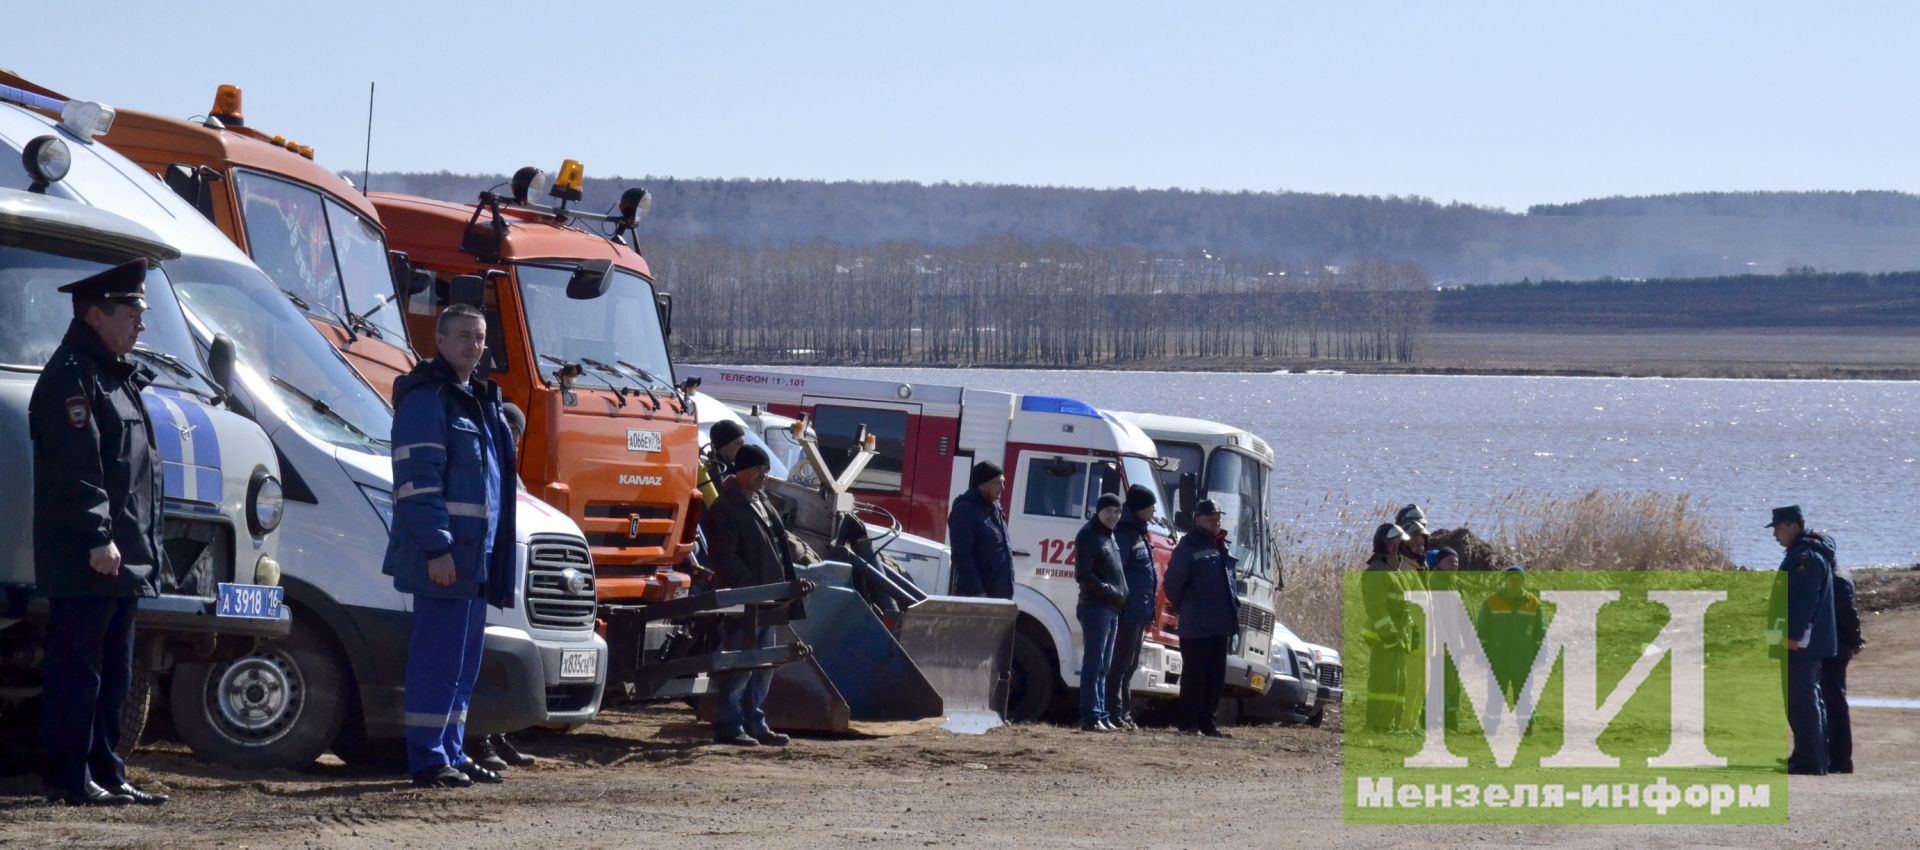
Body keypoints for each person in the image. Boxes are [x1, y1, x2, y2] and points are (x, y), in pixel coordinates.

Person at [29, 260, 170, 806]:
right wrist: (97, 536)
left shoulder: (114, 374)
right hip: (89, 555)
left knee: (115, 672)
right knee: (78, 672)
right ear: (95, 314)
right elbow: (76, 469)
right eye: (132, 313)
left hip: (121, 554)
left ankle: (107, 771)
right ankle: (70, 777)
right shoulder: (72, 376)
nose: (142, 325)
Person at [384, 304, 519, 788]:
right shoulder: (428, 399)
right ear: (438, 340)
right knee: (436, 661)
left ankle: (452, 750)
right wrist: (437, 547)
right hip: (445, 559)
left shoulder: (476, 401)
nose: (473, 345)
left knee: (463, 665)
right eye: (462, 335)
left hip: (475, 562)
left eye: (480, 337)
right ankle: (427, 758)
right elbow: (417, 483)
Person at [701, 444, 806, 746]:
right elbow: (725, 558)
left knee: (762, 666)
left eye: (766, 470)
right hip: (745, 601)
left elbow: (778, 546)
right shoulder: (725, 508)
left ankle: (754, 722)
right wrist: (751, 589)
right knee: (740, 663)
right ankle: (730, 725)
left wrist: (781, 589)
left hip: (769, 600)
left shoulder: (761, 501)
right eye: (759, 469)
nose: (764, 475)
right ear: (742, 471)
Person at [468, 403, 537, 773]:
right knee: (479, 660)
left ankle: (496, 733)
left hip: (505, 577)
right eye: (508, 429)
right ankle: (478, 738)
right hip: (481, 572)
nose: (512, 438)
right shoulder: (484, 464)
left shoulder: (512, 474)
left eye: (516, 434)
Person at [1767, 505, 1837, 776]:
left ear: (1793, 526)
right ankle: (1808, 755)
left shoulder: (1805, 556)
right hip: (1804, 640)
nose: (1774, 534)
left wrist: (1791, 636)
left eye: (1778, 527)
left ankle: (1810, 761)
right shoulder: (1805, 552)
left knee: (1802, 700)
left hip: (1800, 642)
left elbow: (1804, 601)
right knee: (1806, 698)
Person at [1165, 498, 1241, 738]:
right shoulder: (1188, 546)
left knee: (1215, 677)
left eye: (1218, 516)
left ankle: (1208, 724)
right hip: (1197, 624)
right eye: (1211, 517)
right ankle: (1188, 724)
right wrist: (1185, 606)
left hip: (1221, 624)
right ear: (1198, 519)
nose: (1216, 520)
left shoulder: (1221, 545)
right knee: (1195, 676)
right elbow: (1173, 582)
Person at [1106, 485, 1160, 731]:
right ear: (1139, 508)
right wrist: (1123, 601)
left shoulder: (1140, 532)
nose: (1154, 510)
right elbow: (1118, 570)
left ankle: (1124, 713)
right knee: (1119, 664)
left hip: (1139, 611)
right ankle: (1113, 713)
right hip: (1127, 610)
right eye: (1151, 506)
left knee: (1130, 665)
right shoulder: (1126, 534)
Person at [1073, 492, 1128, 732]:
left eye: (1117, 511)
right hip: (1096, 606)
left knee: (1105, 664)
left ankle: (1102, 714)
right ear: (1099, 511)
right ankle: (1091, 716)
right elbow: (1083, 575)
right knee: (1094, 663)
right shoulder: (1089, 535)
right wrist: (1108, 590)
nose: (1114, 516)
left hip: (1111, 607)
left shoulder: (1110, 536)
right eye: (1109, 511)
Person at [1815, 532, 1864, 774]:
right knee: (1832, 701)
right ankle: (1834, 756)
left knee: (1834, 703)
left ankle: (1841, 759)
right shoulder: (1841, 573)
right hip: (1837, 645)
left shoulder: (1835, 578)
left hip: (1835, 647)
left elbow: (1848, 615)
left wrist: (1856, 640)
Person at [1360, 522, 1413, 732]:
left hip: (1399, 640)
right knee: (1383, 685)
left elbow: (1404, 609)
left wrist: (1412, 633)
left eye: (1400, 544)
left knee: (1398, 685)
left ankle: (1394, 724)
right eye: (1397, 544)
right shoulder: (1377, 572)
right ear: (1388, 546)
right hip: (1384, 639)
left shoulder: (1396, 572)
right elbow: (1376, 609)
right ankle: (1377, 724)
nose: (1400, 548)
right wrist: (1389, 634)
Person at [1476, 566, 1545, 705]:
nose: (1515, 582)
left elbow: (1540, 632)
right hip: (1498, 659)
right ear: (1505, 581)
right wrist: (1481, 656)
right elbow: (1482, 631)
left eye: (1518, 579)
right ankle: (1492, 726)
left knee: (1525, 699)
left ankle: (1527, 726)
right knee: (1495, 698)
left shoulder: (1533, 603)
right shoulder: (1491, 602)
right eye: (1511, 579)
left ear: (1523, 581)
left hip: (1523, 660)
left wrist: (1541, 655)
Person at [947, 461, 1014, 599]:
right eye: (997, 482)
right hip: (979, 598)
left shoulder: (994, 507)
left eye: (1003, 482)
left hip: (999, 597)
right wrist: (977, 593)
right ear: (982, 484)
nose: (1003, 487)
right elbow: (962, 557)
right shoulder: (964, 511)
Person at [697, 419, 748, 507]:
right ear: (723, 446)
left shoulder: (736, 470)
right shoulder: (711, 474)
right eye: (738, 444)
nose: (743, 449)